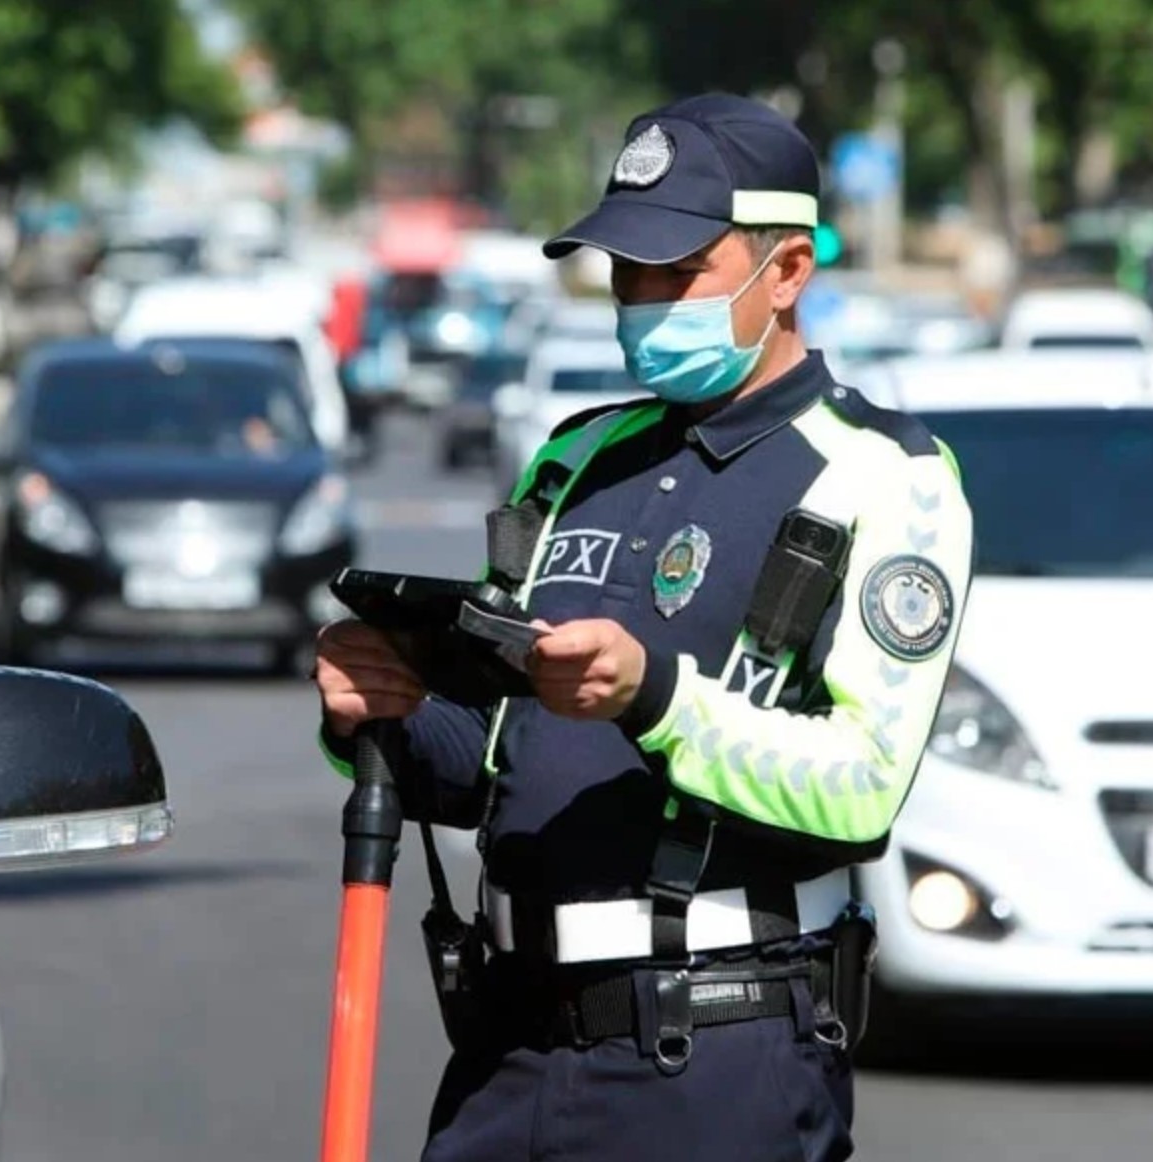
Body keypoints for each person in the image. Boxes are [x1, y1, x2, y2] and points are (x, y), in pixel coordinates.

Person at [314, 94, 974, 1162]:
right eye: (625, 273)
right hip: (507, 1045)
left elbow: (860, 787)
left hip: (711, 1055)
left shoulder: (882, 477)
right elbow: (493, 768)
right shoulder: (571, 461)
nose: (639, 301)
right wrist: (380, 708)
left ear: (789, 271)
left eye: (675, 274)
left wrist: (654, 696)